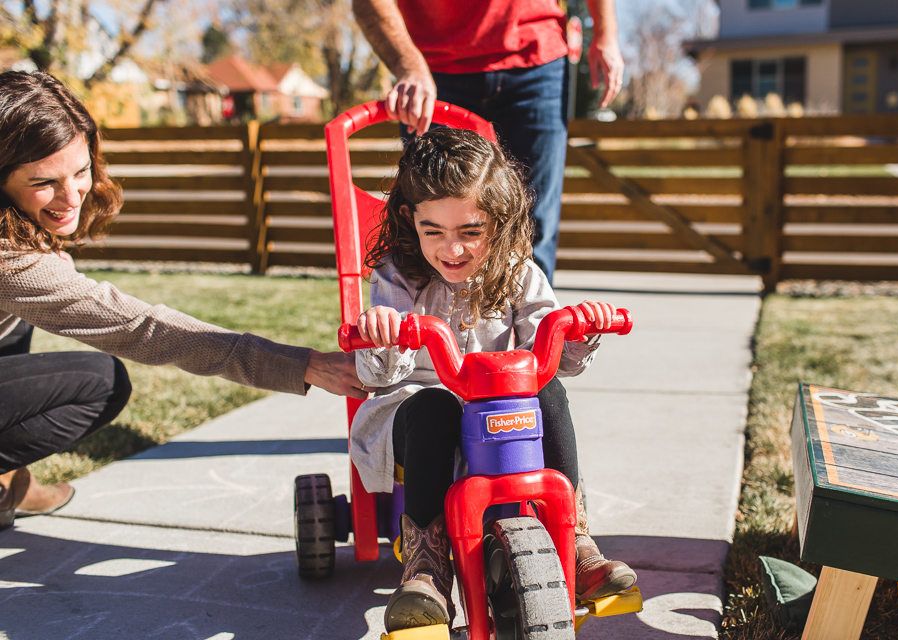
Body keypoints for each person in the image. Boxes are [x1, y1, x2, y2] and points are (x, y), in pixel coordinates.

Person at [0, 70, 365, 531]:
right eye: (43, 182)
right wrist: (303, 363)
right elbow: (140, 328)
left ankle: (8, 481)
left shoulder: (17, 228)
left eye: (81, 171)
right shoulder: (9, 262)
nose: (72, 195)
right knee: (98, 381)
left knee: (14, 325)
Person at [351, 128, 636, 632]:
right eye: (433, 230)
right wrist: (385, 335)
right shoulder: (398, 278)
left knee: (545, 389)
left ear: (499, 222)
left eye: (471, 231)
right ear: (409, 220)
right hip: (418, 413)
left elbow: (555, 359)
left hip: (503, 414)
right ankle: (427, 567)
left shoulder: (519, 274)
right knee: (437, 406)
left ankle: (575, 539)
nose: (452, 247)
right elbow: (378, 374)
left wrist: (577, 331)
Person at [353, 0, 625, 285]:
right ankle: (427, 325)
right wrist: (409, 66)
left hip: (536, 55)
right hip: (433, 65)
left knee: (532, 220)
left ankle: (530, 324)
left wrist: (606, 32)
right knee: (429, 215)